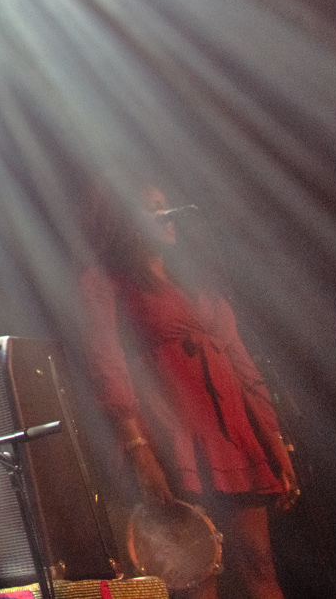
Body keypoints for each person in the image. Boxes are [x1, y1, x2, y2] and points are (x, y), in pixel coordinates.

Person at [79, 182, 296, 599]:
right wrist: (141, 451)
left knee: (260, 561)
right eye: (152, 208)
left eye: (167, 206)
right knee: (196, 573)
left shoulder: (194, 280)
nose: (168, 215)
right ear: (125, 220)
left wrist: (273, 440)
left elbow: (243, 365)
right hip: (172, 435)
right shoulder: (108, 282)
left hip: (234, 435)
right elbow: (107, 366)